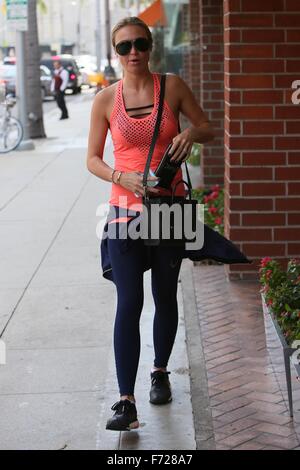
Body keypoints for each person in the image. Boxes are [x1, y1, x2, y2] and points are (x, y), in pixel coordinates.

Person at [87, 16, 245, 432]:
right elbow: (92, 160)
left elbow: (211, 128)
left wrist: (191, 134)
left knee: (164, 294)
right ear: (115, 53)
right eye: (124, 47)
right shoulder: (106, 100)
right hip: (124, 211)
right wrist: (120, 176)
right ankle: (126, 402)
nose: (133, 52)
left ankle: (159, 372)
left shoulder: (171, 87)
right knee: (129, 302)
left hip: (169, 209)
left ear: (151, 46)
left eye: (140, 44)